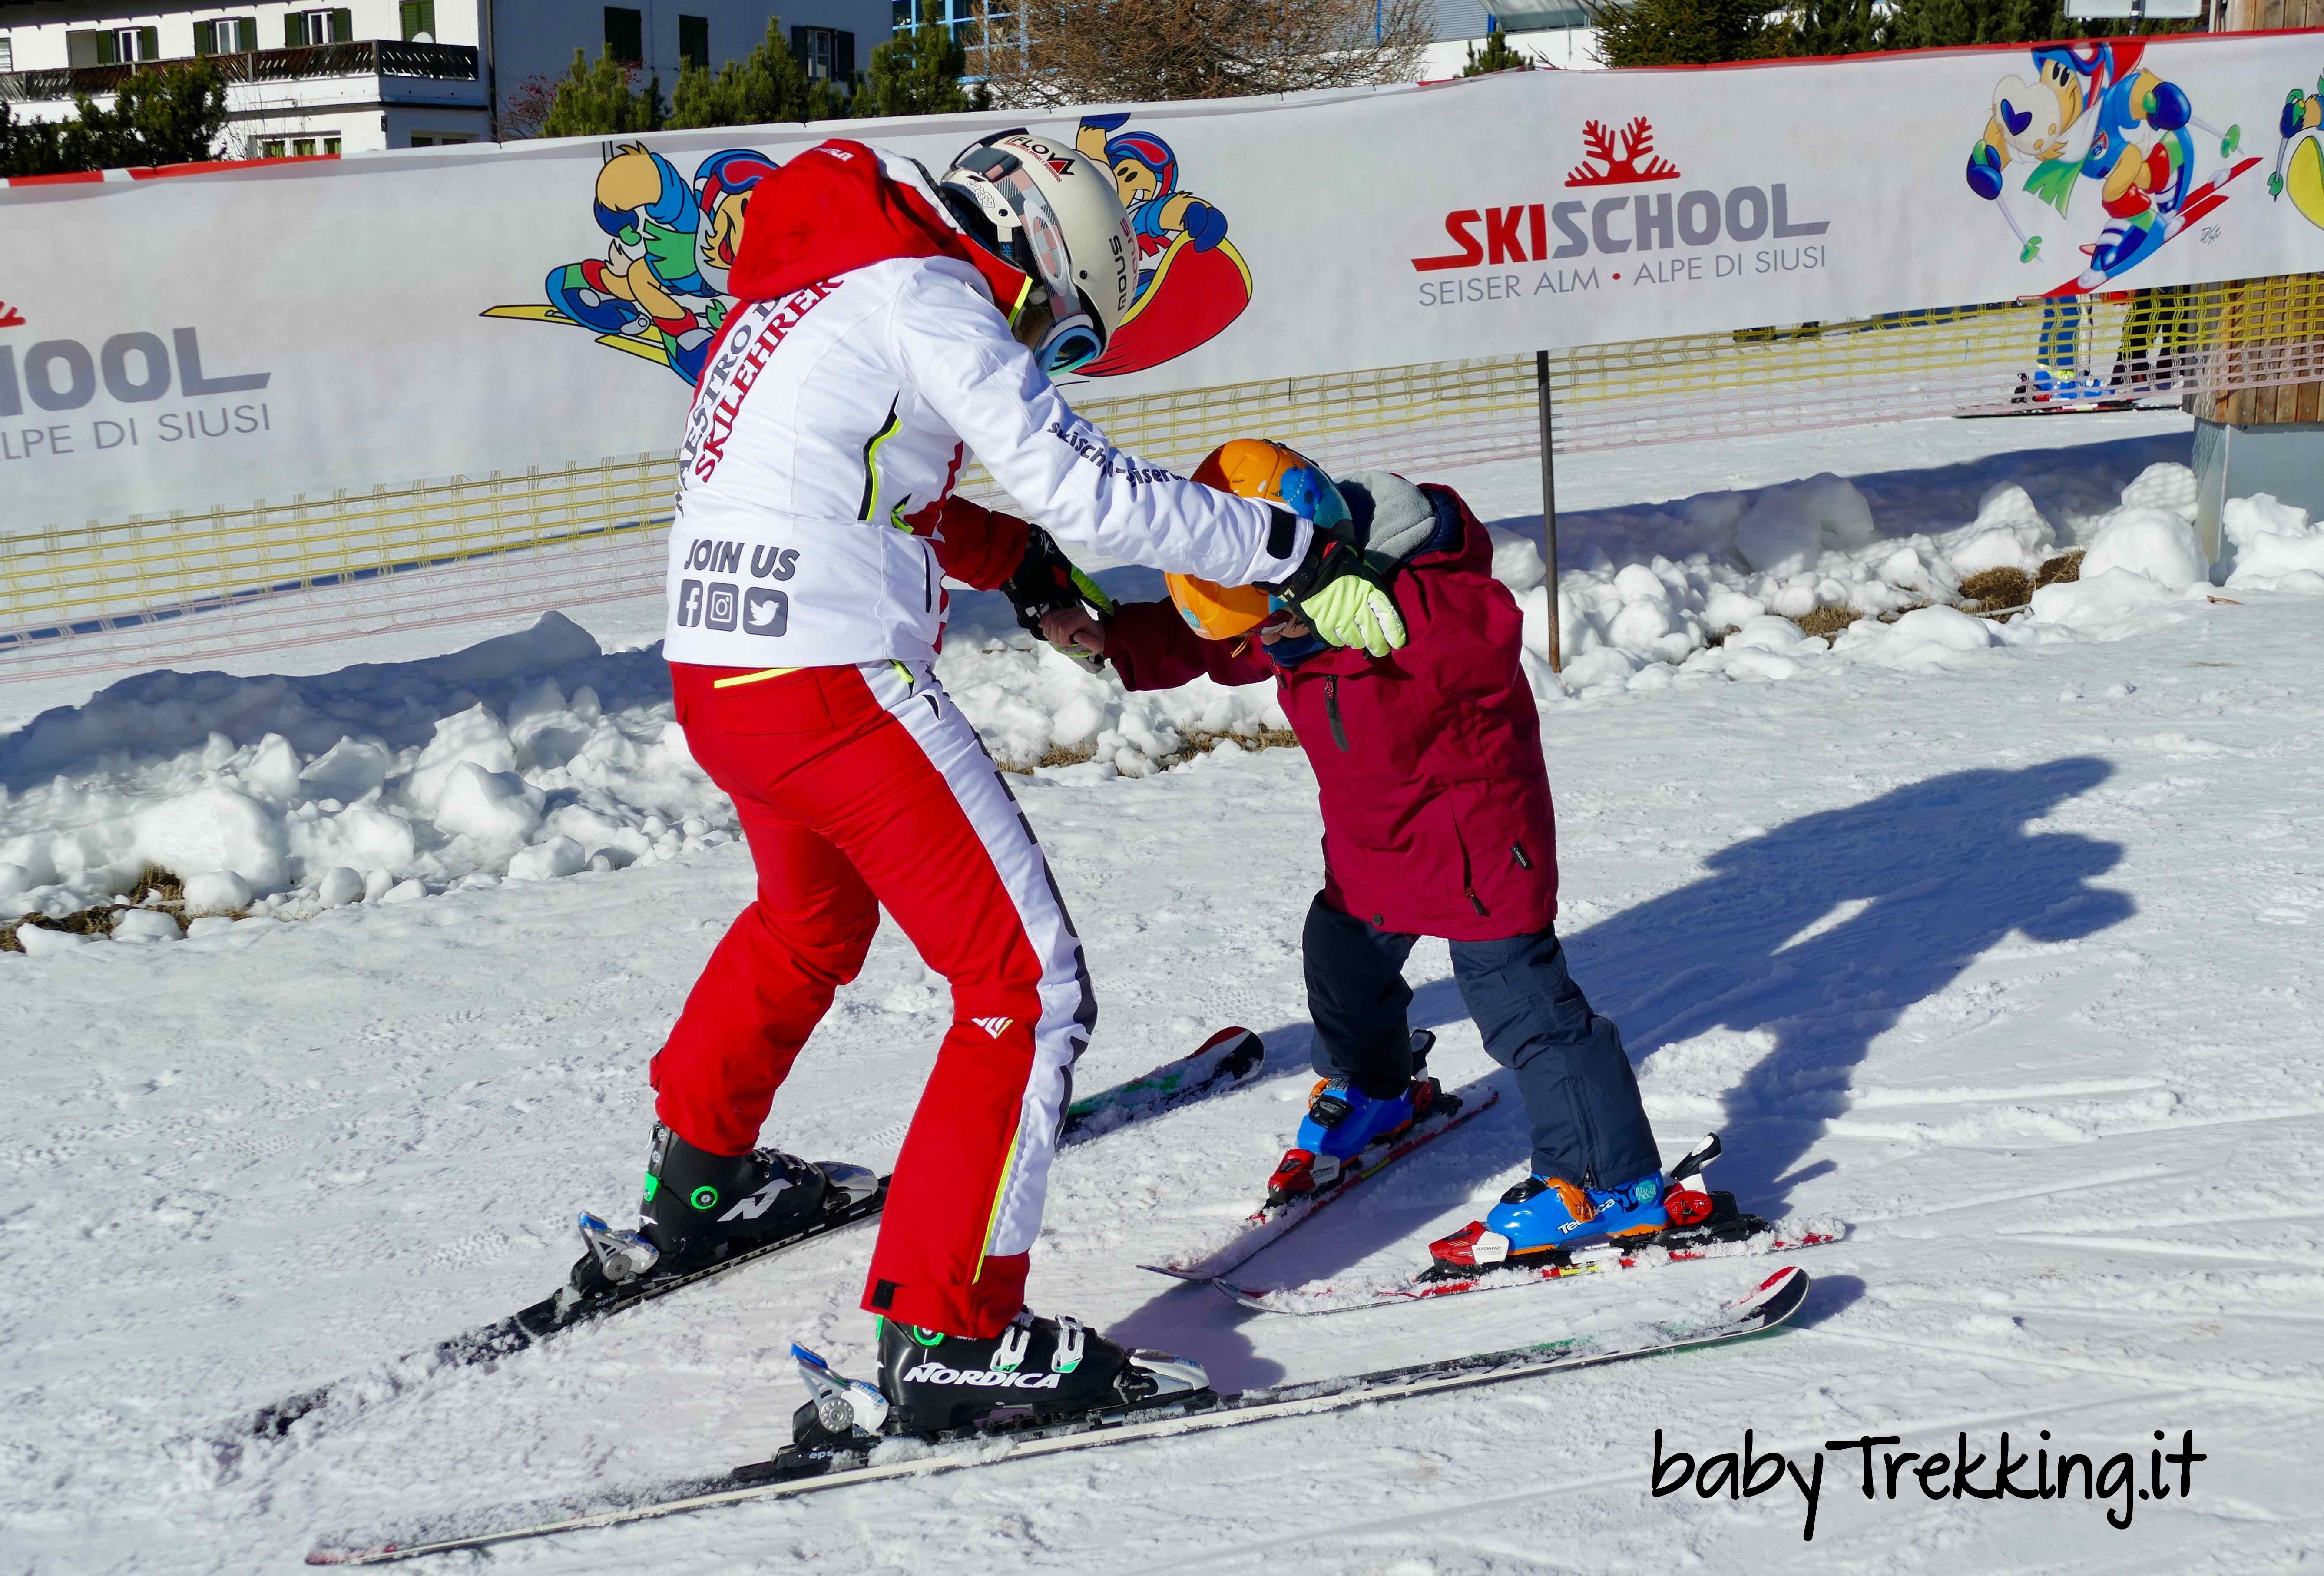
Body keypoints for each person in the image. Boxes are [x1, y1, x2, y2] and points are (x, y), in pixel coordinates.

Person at [622, 135, 1410, 1436]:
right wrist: (1285, 545)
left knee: (809, 920)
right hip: (828, 681)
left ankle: (699, 1181)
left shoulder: (810, 286)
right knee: (1024, 987)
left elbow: (882, 489)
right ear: (1036, 241)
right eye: (1059, 322)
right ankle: (949, 1331)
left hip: (720, 669)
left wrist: (1024, 569)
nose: (1040, 342)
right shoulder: (926, 288)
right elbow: (1083, 485)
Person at [1040, 440, 1712, 1274]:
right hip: (1373, 836)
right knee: (1342, 958)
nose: (1268, 643)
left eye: (1277, 620)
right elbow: (1219, 642)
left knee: (1524, 1008)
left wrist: (1380, 609)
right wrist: (1116, 640)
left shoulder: (1432, 587)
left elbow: (1480, 638)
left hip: (1474, 841)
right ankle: (1378, 1091)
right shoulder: (1287, 606)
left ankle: (1608, 1182)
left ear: (1317, 565)